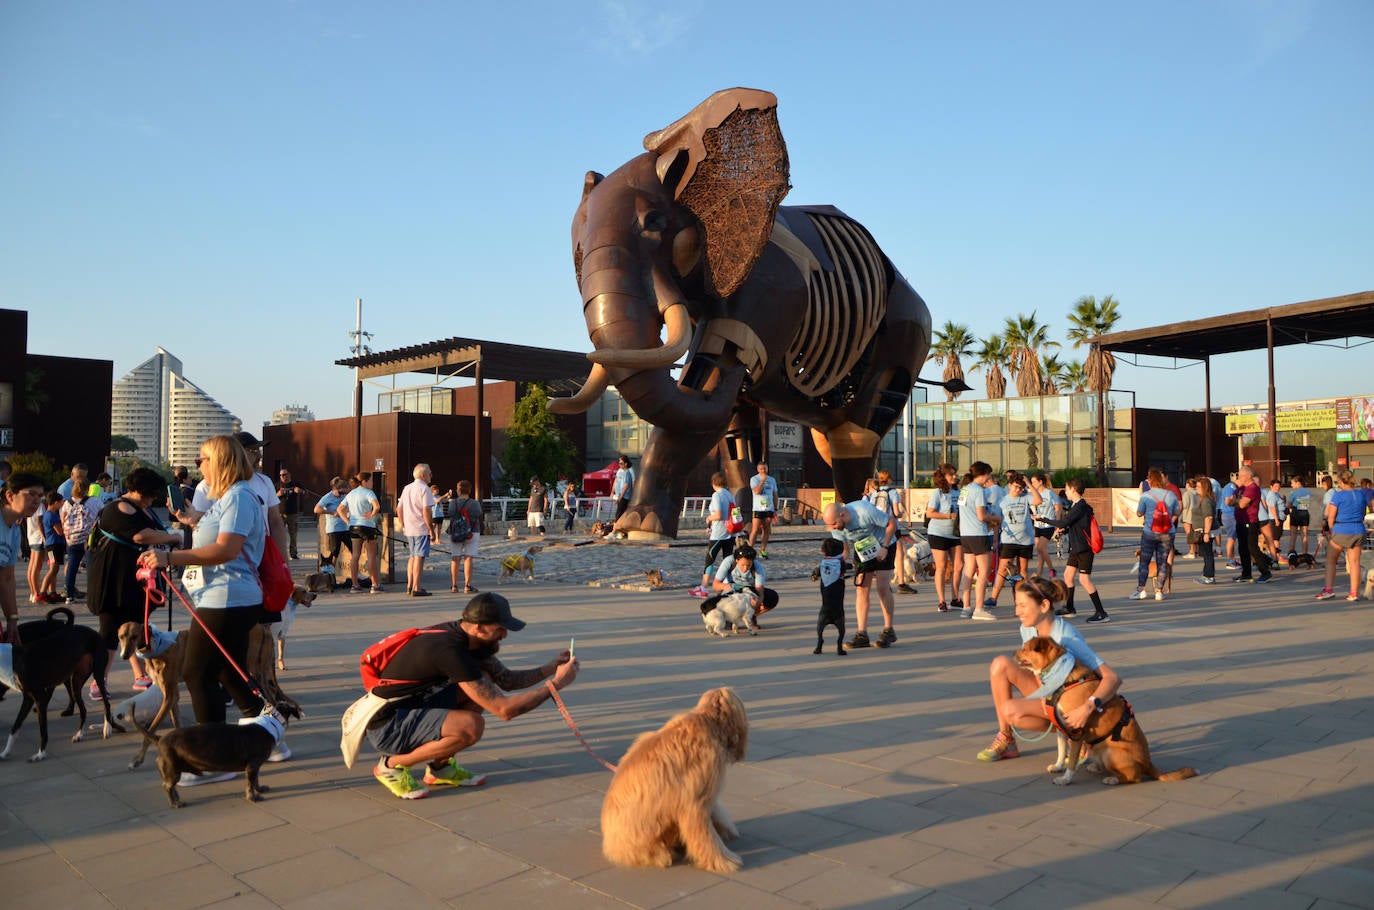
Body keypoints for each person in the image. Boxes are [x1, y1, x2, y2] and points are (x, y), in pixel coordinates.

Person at [139, 436, 287, 781]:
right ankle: (270, 737)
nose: (197, 465)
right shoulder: (229, 498)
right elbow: (217, 537)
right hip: (224, 596)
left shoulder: (238, 497)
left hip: (227, 598)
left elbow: (225, 549)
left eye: (203, 458)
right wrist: (192, 519)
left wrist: (169, 557)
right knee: (228, 672)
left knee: (197, 672)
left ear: (220, 461)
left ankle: (213, 758)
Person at [364, 592, 580, 799]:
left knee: (483, 682)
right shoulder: (450, 651)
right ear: (478, 628)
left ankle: (440, 768)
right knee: (471, 726)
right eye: (500, 629)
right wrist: (557, 684)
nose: (504, 635)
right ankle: (390, 766)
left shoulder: (465, 637)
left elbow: (507, 680)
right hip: (388, 726)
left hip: (413, 706)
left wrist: (551, 667)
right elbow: (505, 710)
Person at [974, 575, 1122, 762]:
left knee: (1011, 710)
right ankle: (1007, 739)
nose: (1017, 611)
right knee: (1000, 664)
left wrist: (1087, 707)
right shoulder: (1027, 628)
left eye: (1022, 605)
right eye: (1016, 605)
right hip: (1050, 691)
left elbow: (1112, 678)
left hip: (1072, 700)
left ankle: (1078, 736)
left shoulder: (1066, 636)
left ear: (1044, 606)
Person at [87, 466, 184, 693]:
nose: (152, 500)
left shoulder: (140, 508)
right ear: (138, 490)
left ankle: (140, 675)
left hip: (133, 579)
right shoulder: (118, 507)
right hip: (112, 579)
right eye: (149, 494)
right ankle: (99, 681)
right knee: (110, 630)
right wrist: (173, 537)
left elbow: (152, 530)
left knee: (135, 627)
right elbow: (140, 535)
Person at [823, 495, 899, 647]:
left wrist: (884, 547)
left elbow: (892, 523)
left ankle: (888, 630)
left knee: (882, 588)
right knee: (861, 589)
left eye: (835, 524)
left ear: (842, 514)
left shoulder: (864, 510)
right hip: (863, 549)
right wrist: (840, 561)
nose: (834, 528)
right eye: (831, 526)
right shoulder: (835, 526)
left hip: (884, 543)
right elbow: (844, 545)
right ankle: (862, 634)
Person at [1034, 477, 1108, 622]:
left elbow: (1064, 521)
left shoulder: (1080, 506)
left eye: (1067, 489)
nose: (1065, 492)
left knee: (1084, 579)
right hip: (1076, 547)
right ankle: (1070, 607)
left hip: (1085, 549)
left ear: (1073, 490)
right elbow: (1076, 526)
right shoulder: (1076, 506)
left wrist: (1042, 518)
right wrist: (1065, 531)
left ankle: (1101, 612)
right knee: (1068, 576)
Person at [2, 473, 46, 643]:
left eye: (40, 496)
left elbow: (7, 578)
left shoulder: (13, 532)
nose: (36, 501)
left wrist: (12, 619)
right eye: (31, 494)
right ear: (10, 495)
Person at [956, 461, 1001, 621]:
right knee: (984, 571)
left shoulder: (964, 490)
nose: (988, 477)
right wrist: (996, 518)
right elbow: (981, 516)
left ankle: (966, 607)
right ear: (983, 474)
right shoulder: (979, 491)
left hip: (966, 534)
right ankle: (979, 608)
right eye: (988, 474)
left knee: (968, 570)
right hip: (978, 533)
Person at [985, 472, 1037, 609]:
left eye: (1020, 488)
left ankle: (1021, 601)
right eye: (1015, 487)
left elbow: (1038, 500)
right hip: (1009, 540)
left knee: (1022, 571)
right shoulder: (1003, 501)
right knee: (1003, 568)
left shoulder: (1026, 497)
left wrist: (1029, 484)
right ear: (1009, 485)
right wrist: (995, 539)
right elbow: (996, 522)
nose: (1018, 490)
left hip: (1025, 540)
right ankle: (993, 597)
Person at [1316, 470, 1367, 602]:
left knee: (1331, 560)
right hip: (1358, 529)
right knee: (1354, 562)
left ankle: (1328, 589)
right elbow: (1362, 513)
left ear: (1342, 482)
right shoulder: (1360, 494)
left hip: (1342, 529)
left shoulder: (1338, 496)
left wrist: (1332, 531)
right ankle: (1354, 593)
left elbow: (1331, 516)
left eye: (1339, 482)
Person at [1132, 468, 1180, 601]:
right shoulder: (1170, 495)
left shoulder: (1146, 495)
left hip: (1149, 532)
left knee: (1144, 561)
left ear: (1150, 480)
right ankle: (1159, 591)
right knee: (1162, 562)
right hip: (1167, 533)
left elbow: (1139, 513)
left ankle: (1141, 590)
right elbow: (1177, 511)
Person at [708, 543, 778, 628]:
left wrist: (758, 603)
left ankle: (751, 616)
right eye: (742, 565)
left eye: (748, 565)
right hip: (731, 589)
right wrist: (725, 586)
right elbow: (715, 585)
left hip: (748, 591)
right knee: (724, 599)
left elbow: (760, 590)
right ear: (737, 560)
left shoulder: (758, 567)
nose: (745, 568)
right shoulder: (729, 561)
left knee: (772, 597)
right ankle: (729, 618)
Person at [691, 472, 736, 598]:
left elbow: (718, 515)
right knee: (727, 559)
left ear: (713, 483)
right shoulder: (730, 495)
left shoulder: (717, 495)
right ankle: (728, 584)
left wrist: (709, 519)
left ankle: (704, 588)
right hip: (730, 532)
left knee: (710, 559)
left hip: (719, 533)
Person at [925, 463, 963, 613]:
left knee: (958, 565)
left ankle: (955, 597)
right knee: (941, 567)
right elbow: (930, 513)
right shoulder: (938, 493)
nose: (954, 477)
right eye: (950, 474)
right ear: (943, 477)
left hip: (956, 533)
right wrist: (948, 515)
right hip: (938, 533)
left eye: (955, 474)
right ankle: (942, 600)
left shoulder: (960, 491)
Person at [339, 472, 382, 594]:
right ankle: (375, 585)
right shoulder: (368, 492)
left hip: (354, 526)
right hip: (367, 526)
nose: (372, 483)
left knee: (355, 555)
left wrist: (348, 521)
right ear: (365, 481)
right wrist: (372, 514)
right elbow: (377, 506)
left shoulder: (351, 493)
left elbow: (339, 509)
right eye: (371, 481)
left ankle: (355, 585)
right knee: (371, 556)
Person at [398, 464, 437, 597]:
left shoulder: (407, 488)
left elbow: (399, 508)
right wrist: (431, 529)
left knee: (412, 557)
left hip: (409, 527)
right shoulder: (425, 489)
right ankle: (416, 586)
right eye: (430, 474)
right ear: (423, 475)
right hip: (420, 527)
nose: (431, 476)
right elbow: (426, 510)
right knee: (419, 557)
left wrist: (403, 524)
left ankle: (410, 584)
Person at [59, 481, 98, 603]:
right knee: (91, 567)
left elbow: (63, 519)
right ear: (87, 489)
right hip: (89, 538)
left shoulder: (66, 503)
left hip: (72, 539)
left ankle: (69, 595)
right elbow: (102, 515)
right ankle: (93, 594)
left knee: (72, 566)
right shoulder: (94, 501)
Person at [1231, 466, 1271, 583]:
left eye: (1242, 475)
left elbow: (1242, 504)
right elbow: (1230, 501)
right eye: (1239, 475)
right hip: (1240, 521)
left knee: (1252, 547)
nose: (1239, 477)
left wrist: (1237, 502)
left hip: (1250, 522)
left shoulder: (1252, 488)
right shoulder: (1241, 488)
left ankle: (1265, 571)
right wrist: (1238, 501)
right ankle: (1246, 573)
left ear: (1248, 476)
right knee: (1242, 548)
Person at [448, 480, 483, 595]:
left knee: (455, 558)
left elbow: (451, 514)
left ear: (458, 490)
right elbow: (478, 514)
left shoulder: (453, 503)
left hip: (455, 532)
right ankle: (467, 585)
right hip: (472, 531)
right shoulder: (474, 503)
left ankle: (454, 585)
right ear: (469, 490)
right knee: (468, 558)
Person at [813, 537, 847, 655]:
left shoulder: (823, 565)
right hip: (838, 608)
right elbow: (844, 569)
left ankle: (819, 644)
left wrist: (815, 574)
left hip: (825, 608)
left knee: (820, 627)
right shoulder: (841, 563)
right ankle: (839, 647)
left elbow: (817, 571)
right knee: (841, 629)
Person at [314, 476, 350, 577]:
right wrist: (330, 512)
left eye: (344, 493)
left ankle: (356, 573)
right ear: (334, 489)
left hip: (345, 527)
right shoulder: (327, 497)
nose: (342, 495)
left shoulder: (344, 496)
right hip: (334, 529)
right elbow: (316, 509)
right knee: (335, 552)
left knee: (353, 549)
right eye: (340, 493)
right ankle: (331, 574)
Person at [1028, 473, 1062, 579]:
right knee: (1040, 550)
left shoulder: (1049, 493)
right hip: (1038, 525)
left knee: (1040, 547)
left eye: (1034, 482)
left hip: (1048, 525)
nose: (1032, 484)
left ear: (1040, 482)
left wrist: (1057, 524)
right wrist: (1031, 515)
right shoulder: (1031, 494)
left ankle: (1051, 569)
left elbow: (1058, 508)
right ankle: (1039, 573)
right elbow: (1026, 506)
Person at [38, 492, 66, 603]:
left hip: (55, 544)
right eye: (60, 502)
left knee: (55, 569)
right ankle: (42, 592)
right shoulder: (51, 515)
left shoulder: (52, 514)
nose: (62, 504)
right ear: (55, 503)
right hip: (53, 545)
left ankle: (53, 592)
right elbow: (59, 531)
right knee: (53, 569)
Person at [1189, 476, 1217, 584]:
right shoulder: (1204, 499)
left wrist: (1206, 533)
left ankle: (1209, 576)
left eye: (1199, 487)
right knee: (1206, 553)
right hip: (1202, 530)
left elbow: (1208, 517)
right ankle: (1207, 574)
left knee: (1207, 554)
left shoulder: (1206, 501)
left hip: (1205, 531)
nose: (1197, 488)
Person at [748, 462, 779, 558]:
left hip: (769, 508)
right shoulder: (754, 479)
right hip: (758, 508)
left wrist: (775, 508)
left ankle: (763, 550)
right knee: (755, 530)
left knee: (766, 530)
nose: (763, 471)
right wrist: (762, 481)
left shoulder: (772, 480)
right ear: (758, 470)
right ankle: (749, 550)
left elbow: (775, 495)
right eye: (761, 469)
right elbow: (757, 492)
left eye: (765, 468)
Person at [276, 468, 305, 560]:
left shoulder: (296, 483)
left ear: (289, 474)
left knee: (293, 534)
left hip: (292, 513)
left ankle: (293, 553)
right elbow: (270, 497)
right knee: (279, 534)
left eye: (284, 474)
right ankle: (279, 553)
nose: (282, 477)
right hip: (280, 513)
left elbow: (305, 492)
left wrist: (300, 491)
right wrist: (277, 494)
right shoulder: (277, 485)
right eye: (280, 475)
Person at [1259, 477, 1287, 567]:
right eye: (1275, 486)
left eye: (1278, 486)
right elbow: (1272, 507)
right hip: (1274, 519)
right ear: (1271, 486)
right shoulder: (1271, 495)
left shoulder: (1277, 494)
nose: (1277, 488)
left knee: (1277, 538)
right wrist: (1276, 519)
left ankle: (1275, 556)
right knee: (1275, 539)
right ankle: (1277, 556)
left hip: (1280, 518)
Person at [1287, 476, 1313, 557]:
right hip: (1304, 512)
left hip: (1295, 512)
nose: (1292, 485)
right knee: (1304, 535)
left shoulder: (1293, 493)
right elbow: (1305, 503)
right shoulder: (1308, 492)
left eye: (1292, 483)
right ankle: (1305, 554)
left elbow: (1289, 504)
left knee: (1293, 535)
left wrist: (1292, 506)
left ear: (1298, 483)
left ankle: (1292, 554)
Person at [1220, 473, 1240, 568]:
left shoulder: (1234, 487)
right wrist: (1239, 502)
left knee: (1233, 538)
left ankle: (1233, 559)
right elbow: (1228, 502)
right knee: (1231, 538)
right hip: (1229, 515)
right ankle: (1230, 560)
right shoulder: (1230, 487)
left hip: (1232, 515)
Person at [611, 455, 634, 528]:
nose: (619, 465)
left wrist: (620, 497)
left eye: (621, 463)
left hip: (624, 497)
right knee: (619, 513)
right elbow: (616, 481)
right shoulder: (619, 471)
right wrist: (612, 492)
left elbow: (626, 486)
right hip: (618, 495)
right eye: (619, 463)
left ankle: (616, 531)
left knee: (619, 514)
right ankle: (619, 530)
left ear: (626, 464)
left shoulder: (627, 473)